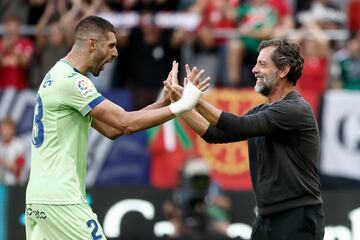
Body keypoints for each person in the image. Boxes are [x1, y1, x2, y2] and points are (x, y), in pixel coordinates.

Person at [25, 15, 210, 240]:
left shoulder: (56, 76)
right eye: (111, 45)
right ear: (92, 43)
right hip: (61, 198)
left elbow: (113, 129)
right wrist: (183, 105)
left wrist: (164, 102)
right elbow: (125, 123)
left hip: (39, 197)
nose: (115, 53)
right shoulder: (72, 82)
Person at [166, 39, 324, 240]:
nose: (254, 70)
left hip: (297, 217)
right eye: (257, 63)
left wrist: (195, 99)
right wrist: (180, 105)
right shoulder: (263, 110)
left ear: (284, 70)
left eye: (263, 64)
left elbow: (238, 127)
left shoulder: (295, 109)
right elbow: (216, 135)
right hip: (266, 218)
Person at [0, 118, 25, 185]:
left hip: (14, 185)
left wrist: (3, 162)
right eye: (4, 128)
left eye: (8, 129)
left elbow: (18, 169)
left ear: (13, 130)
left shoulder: (19, 145)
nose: (5, 132)